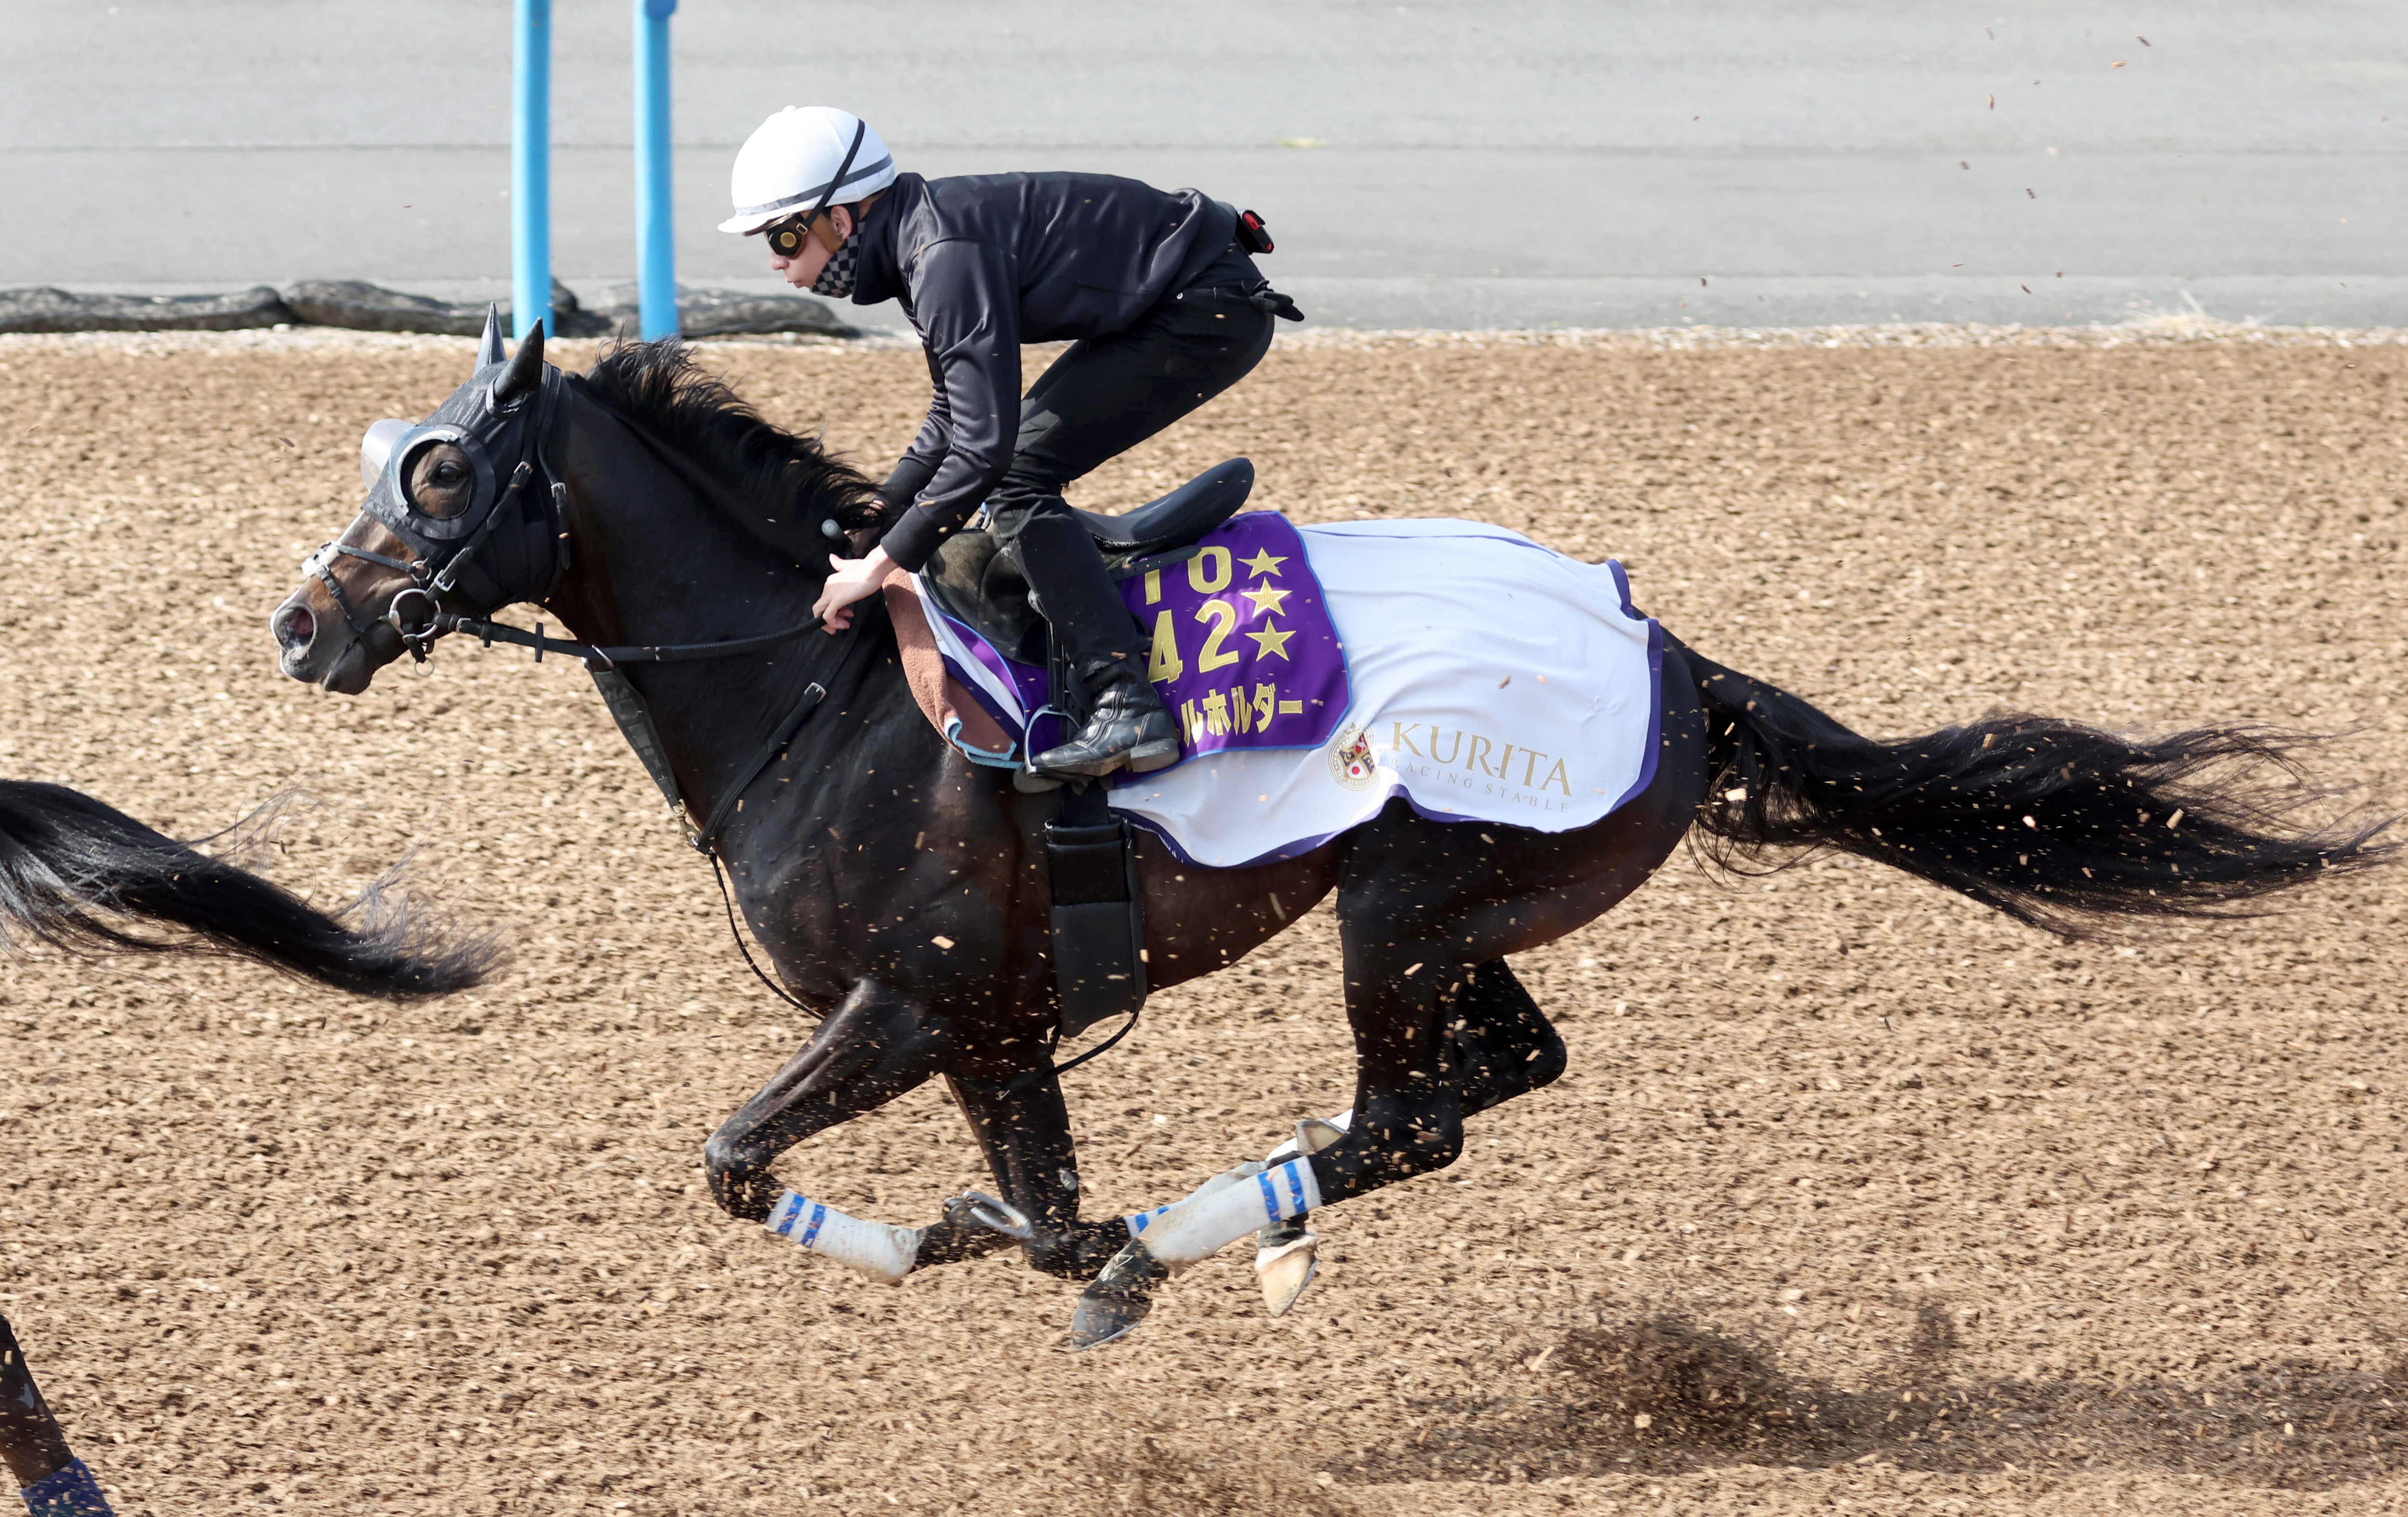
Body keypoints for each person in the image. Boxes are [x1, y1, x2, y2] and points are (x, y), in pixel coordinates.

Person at [719, 106, 1300, 777]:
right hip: (1187, 295)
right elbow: (952, 412)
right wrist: (876, 519)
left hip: (1207, 309)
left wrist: (881, 566)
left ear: (840, 221)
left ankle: (1125, 700)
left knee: (1016, 473)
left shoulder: (941, 256)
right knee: (1011, 461)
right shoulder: (924, 240)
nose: (773, 260)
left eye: (784, 238)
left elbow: (983, 451)